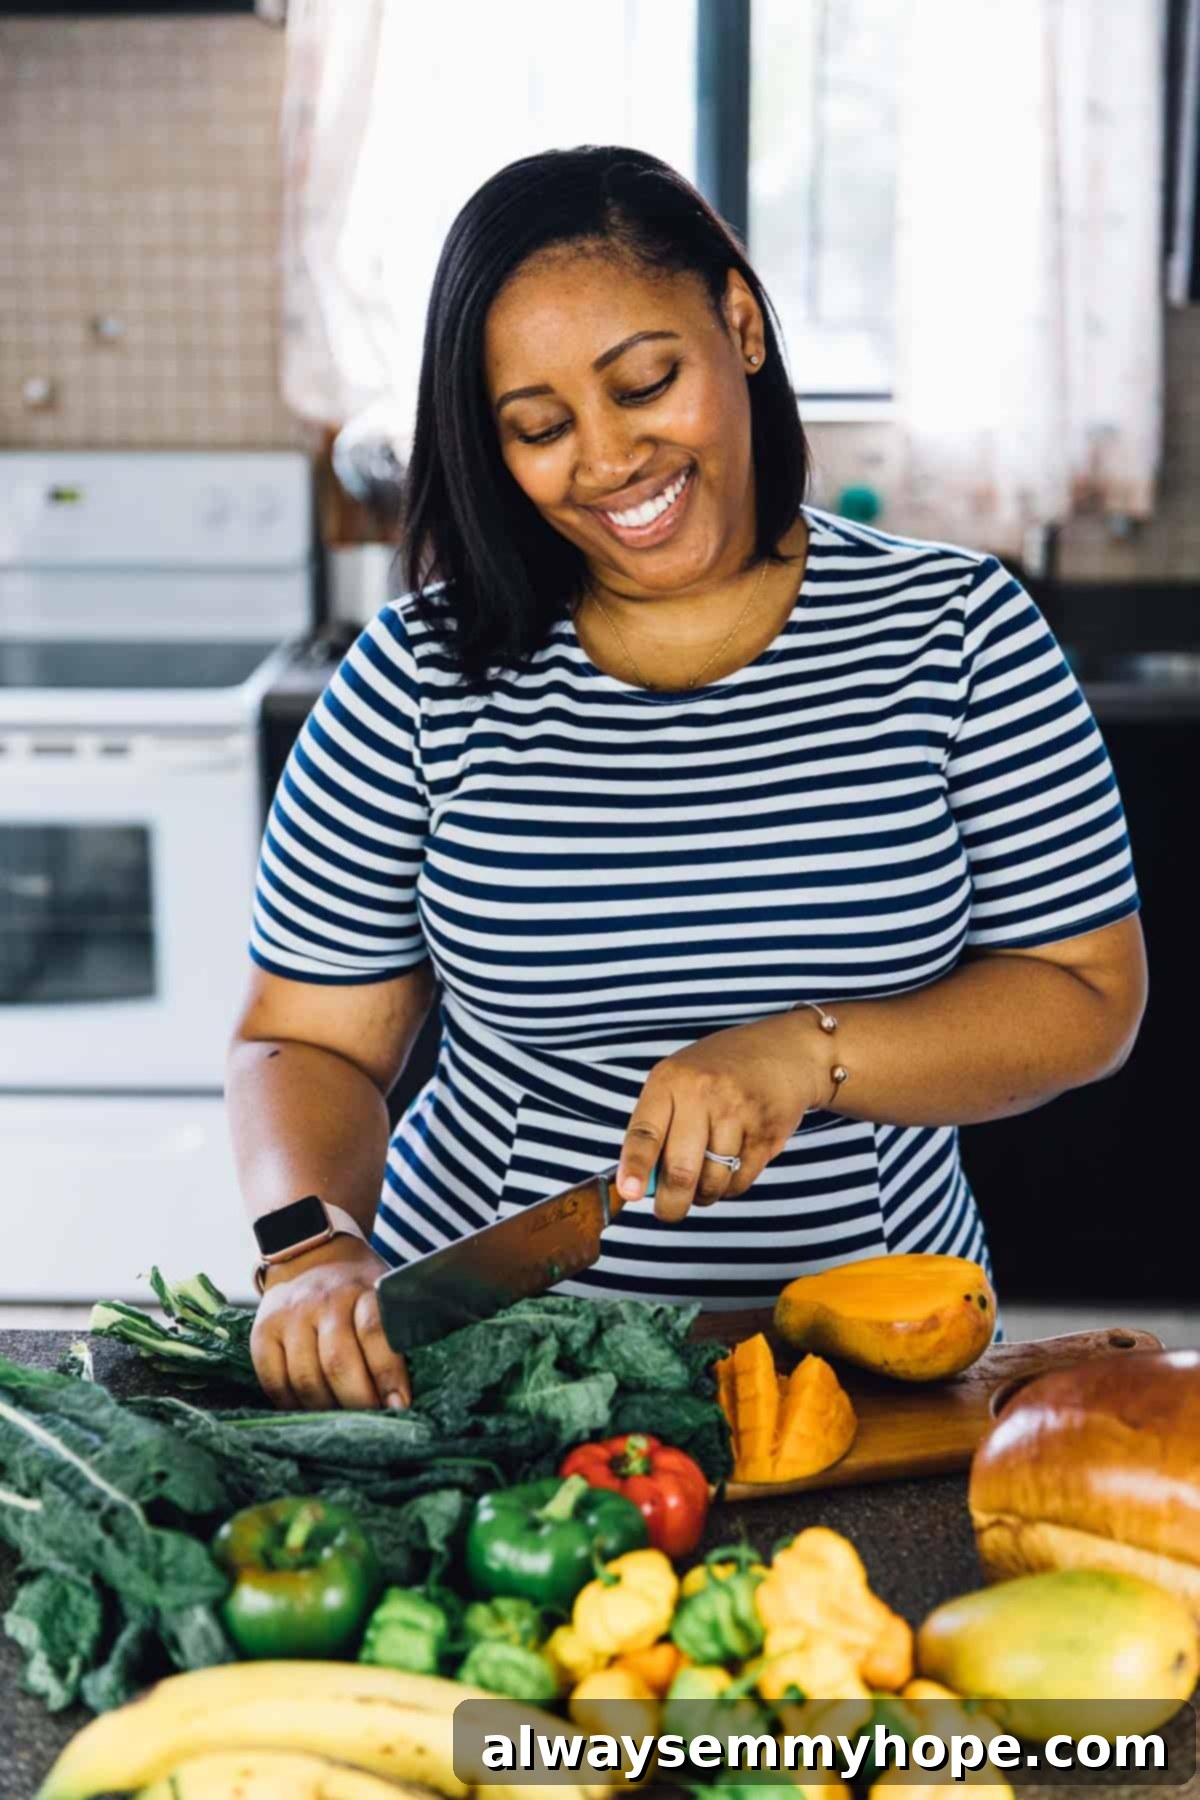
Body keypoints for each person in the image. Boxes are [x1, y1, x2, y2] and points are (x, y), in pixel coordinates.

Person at [227, 146, 1147, 1414]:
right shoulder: (417, 678)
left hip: (867, 1364)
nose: (608, 460)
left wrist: (808, 1052)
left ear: (742, 323)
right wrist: (311, 1247)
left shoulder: (959, 631)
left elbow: (1087, 995)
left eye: (645, 382)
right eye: (539, 429)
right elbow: (301, 1037)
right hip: (493, 1369)